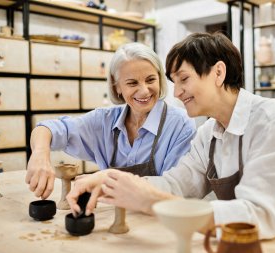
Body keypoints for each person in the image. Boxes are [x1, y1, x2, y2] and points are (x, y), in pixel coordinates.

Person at [66, 32, 275, 239]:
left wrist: (153, 200)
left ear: (218, 73)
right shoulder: (208, 133)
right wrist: (110, 180)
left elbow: (258, 216)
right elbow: (177, 186)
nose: (176, 93)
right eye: (174, 82)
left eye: (183, 79)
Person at [25, 42, 196, 200]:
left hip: (157, 221)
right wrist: (40, 154)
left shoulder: (180, 125)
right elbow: (49, 128)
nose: (144, 91)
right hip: (114, 218)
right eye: (132, 83)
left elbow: (173, 188)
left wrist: (108, 182)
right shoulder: (103, 121)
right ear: (117, 87)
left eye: (151, 80)